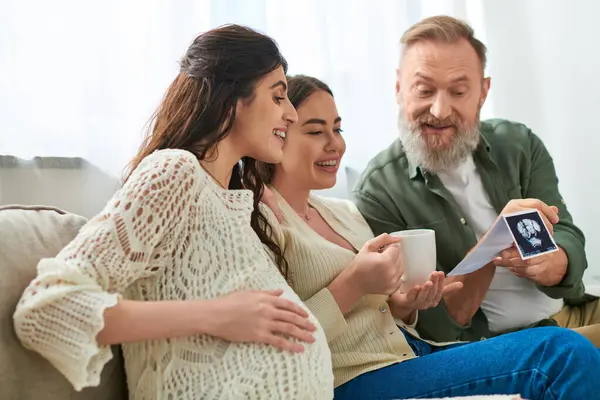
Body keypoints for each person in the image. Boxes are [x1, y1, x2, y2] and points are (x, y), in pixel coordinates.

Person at [12, 25, 333, 400]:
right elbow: (45, 309)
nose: (292, 115)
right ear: (232, 99)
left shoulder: (232, 202)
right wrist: (216, 315)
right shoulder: (174, 173)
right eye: (278, 98)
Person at [257, 74, 600, 400]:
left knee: (560, 349)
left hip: (410, 354)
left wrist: (405, 306)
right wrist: (355, 283)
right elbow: (280, 345)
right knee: (558, 354)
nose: (336, 144)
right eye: (316, 132)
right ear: (278, 133)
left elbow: (383, 313)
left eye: (338, 128)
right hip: (351, 379)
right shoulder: (263, 225)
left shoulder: (343, 213)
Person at [353, 15, 599, 343]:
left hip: (568, 312)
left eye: (458, 91)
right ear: (399, 88)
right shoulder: (378, 192)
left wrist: (558, 262)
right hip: (498, 346)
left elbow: (566, 232)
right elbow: (434, 326)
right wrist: (496, 241)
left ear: (483, 92)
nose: (440, 110)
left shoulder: (518, 144)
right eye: (424, 89)